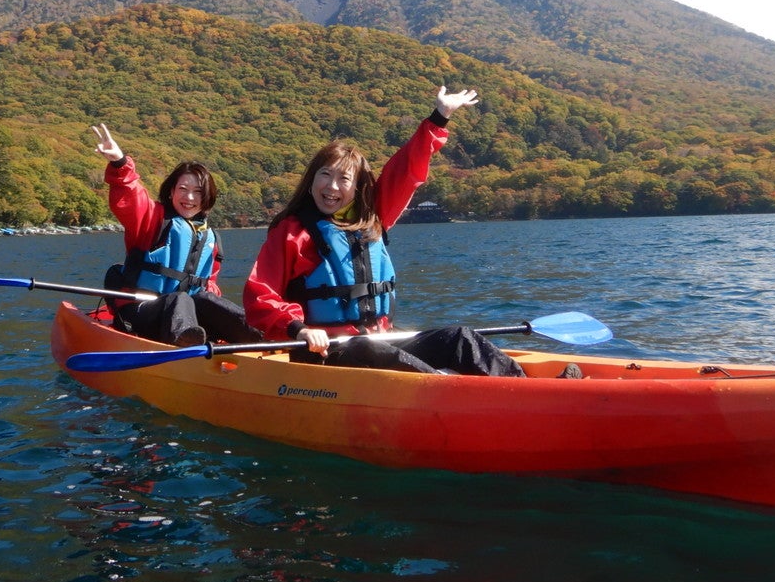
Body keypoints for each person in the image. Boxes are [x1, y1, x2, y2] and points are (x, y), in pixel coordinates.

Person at [243, 87, 525, 377]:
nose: (332, 186)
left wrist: (440, 117)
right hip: (325, 352)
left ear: (357, 188)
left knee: (458, 338)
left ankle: (520, 384)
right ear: (311, 179)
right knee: (369, 348)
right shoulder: (291, 232)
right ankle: (443, 387)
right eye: (325, 174)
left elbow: (405, 171)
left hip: (381, 339)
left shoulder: (372, 218)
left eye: (344, 179)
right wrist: (299, 329)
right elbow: (259, 294)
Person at [93, 123, 261, 347]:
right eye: (183, 189)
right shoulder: (152, 218)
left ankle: (260, 335)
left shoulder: (211, 239)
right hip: (140, 312)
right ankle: (186, 346)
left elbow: (210, 284)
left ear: (206, 198)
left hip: (183, 317)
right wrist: (119, 162)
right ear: (171, 191)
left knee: (205, 299)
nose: (189, 198)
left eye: (197, 192)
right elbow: (130, 197)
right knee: (179, 299)